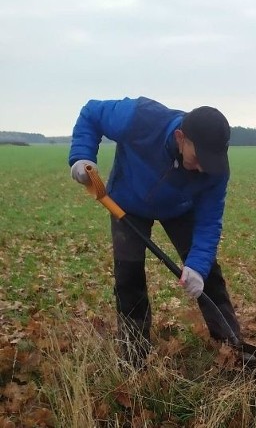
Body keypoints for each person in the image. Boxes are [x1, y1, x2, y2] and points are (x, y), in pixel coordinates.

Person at [68, 96, 245, 367]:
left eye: (210, 161)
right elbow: (92, 113)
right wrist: (82, 156)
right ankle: (134, 354)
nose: (202, 168)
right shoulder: (140, 118)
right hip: (127, 204)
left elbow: (209, 222)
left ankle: (231, 346)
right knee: (129, 277)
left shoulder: (215, 170)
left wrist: (197, 266)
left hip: (180, 209)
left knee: (208, 274)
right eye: (198, 158)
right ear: (180, 137)